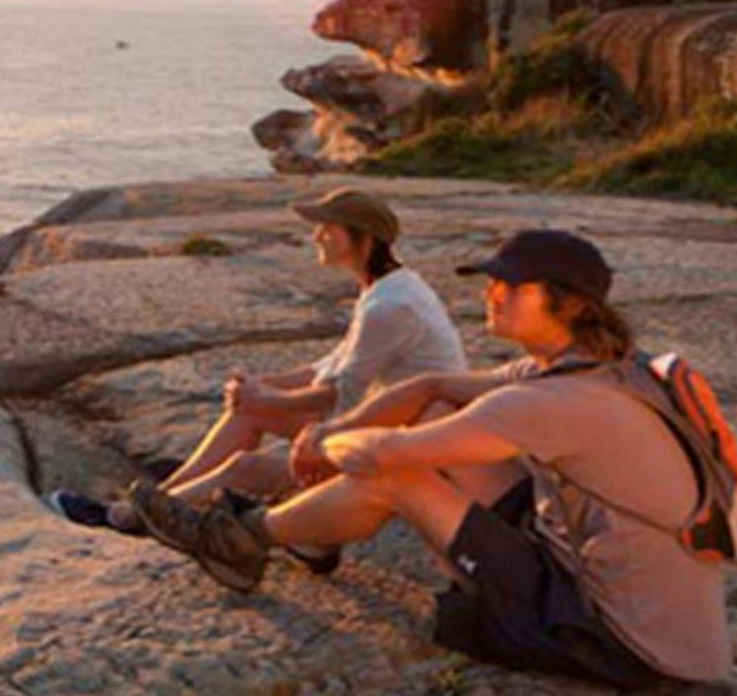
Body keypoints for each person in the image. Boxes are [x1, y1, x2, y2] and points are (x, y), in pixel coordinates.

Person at [129, 229, 732, 688]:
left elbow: (388, 456)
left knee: (397, 478)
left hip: (615, 637)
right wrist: (332, 429)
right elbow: (427, 388)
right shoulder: (604, 366)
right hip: (618, 590)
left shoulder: (559, 401)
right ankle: (307, 537)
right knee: (436, 413)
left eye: (511, 286)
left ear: (570, 305)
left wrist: (321, 442)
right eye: (491, 281)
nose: (490, 294)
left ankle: (242, 538)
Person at [48, 188, 465, 545]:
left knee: (243, 467)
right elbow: (334, 364)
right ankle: (150, 503)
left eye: (327, 227)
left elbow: (339, 391)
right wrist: (264, 386)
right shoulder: (389, 288)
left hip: (399, 441)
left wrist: (269, 397)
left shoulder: (390, 305)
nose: (316, 235)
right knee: (247, 410)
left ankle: (132, 518)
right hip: (383, 420)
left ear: (365, 238)